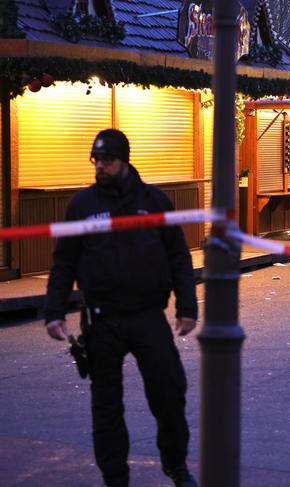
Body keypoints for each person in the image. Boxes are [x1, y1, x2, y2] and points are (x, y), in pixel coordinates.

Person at [44, 129, 198, 487]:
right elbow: (64, 261)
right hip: (101, 320)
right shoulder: (81, 206)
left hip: (147, 316)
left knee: (169, 392)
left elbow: (178, 256)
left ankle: (176, 465)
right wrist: (53, 312)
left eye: (108, 161)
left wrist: (186, 307)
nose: (101, 167)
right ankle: (115, 478)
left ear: (124, 160)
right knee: (106, 408)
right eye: (96, 161)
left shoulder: (155, 201)